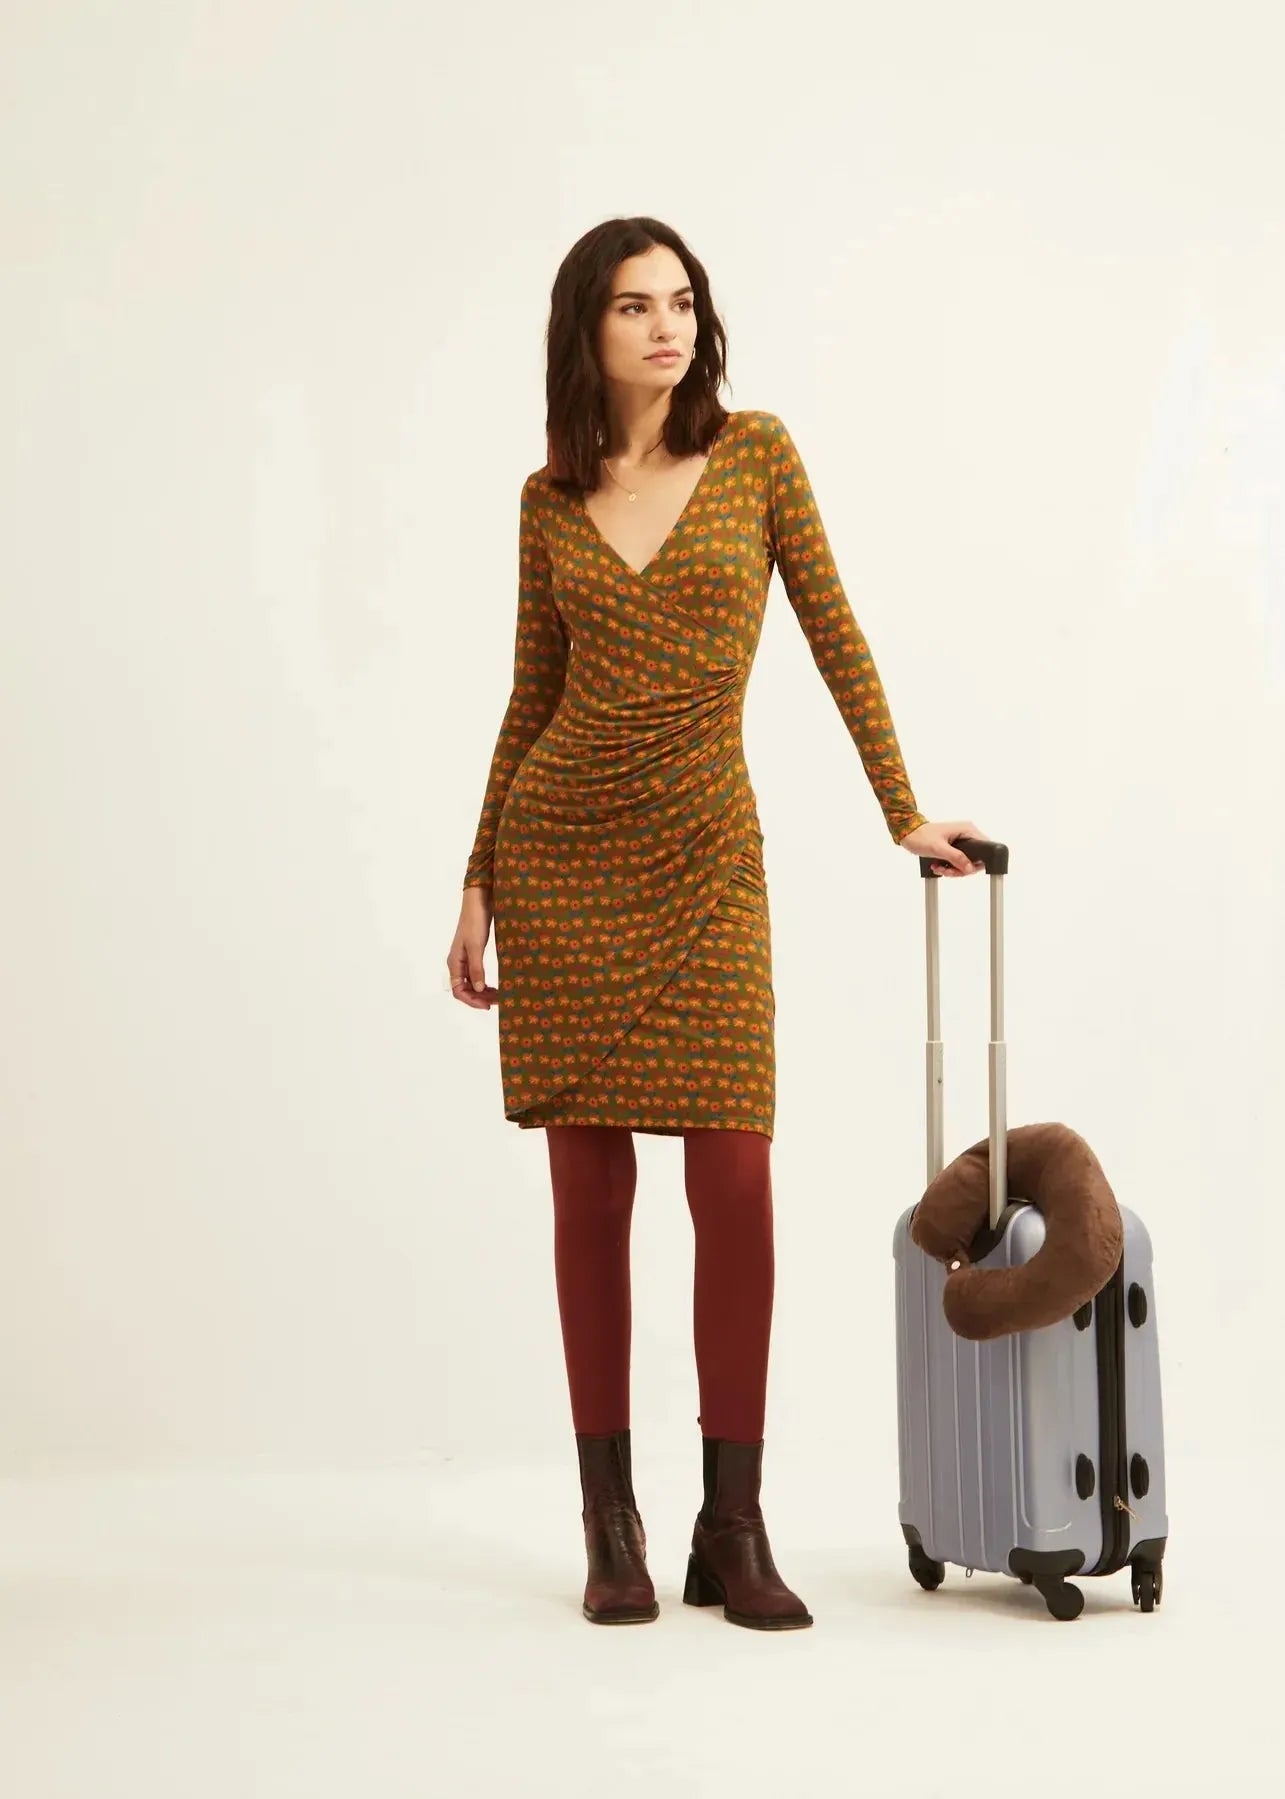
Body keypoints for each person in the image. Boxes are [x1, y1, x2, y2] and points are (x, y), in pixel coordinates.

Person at [447, 215, 986, 1632]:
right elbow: (529, 694)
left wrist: (900, 811)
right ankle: (611, 1525)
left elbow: (834, 630)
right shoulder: (547, 500)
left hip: (705, 863)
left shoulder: (755, 455)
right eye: (634, 307)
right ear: (586, 331)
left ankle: (731, 1525)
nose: (666, 327)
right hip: (564, 860)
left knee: (734, 1185)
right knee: (591, 1203)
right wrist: (480, 877)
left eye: (681, 302)